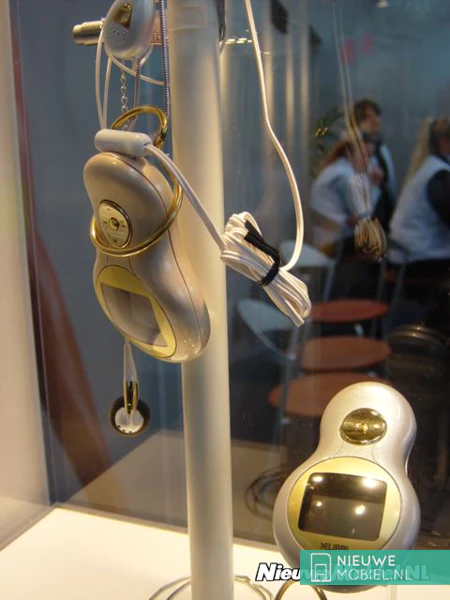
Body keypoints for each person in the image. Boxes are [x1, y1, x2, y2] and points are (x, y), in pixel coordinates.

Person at [389, 117, 450, 294]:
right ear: (444, 142)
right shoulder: (439, 174)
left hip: (407, 253)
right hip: (418, 258)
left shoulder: (429, 167)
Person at [310, 137, 374, 257]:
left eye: (370, 157)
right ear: (349, 154)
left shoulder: (334, 170)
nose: (368, 162)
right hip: (334, 242)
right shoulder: (344, 176)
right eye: (365, 155)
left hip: (326, 239)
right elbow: (361, 217)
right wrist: (375, 186)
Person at [353, 98, 397, 229]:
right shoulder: (355, 147)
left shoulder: (380, 145)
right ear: (358, 121)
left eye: (377, 115)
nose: (375, 120)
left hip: (383, 206)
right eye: (368, 117)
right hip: (366, 211)